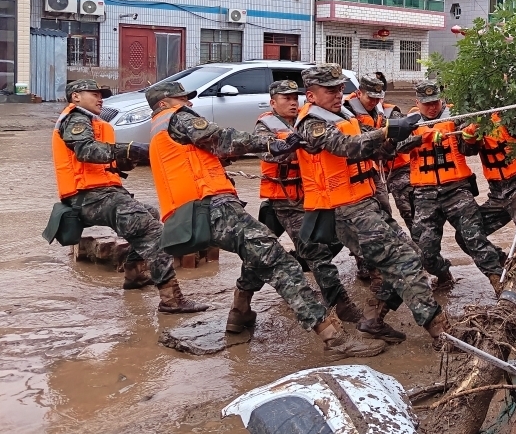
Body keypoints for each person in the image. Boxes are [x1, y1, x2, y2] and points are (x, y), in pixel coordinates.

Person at [146, 80, 383, 359]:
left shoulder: (161, 130)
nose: (188, 103)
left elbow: (201, 156)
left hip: (195, 212)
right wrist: (273, 143)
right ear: (164, 103)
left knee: (259, 256)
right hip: (214, 206)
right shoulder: (177, 117)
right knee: (283, 265)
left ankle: (240, 312)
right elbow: (223, 137)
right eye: (182, 99)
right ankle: (334, 339)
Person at [293, 64, 451, 349]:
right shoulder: (311, 123)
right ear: (311, 95)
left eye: (339, 89)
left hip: (365, 204)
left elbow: (376, 149)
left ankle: (373, 318)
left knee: (412, 255)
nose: (337, 95)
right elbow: (346, 146)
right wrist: (386, 131)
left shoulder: (343, 115)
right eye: (329, 90)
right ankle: (440, 330)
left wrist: (399, 136)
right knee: (403, 261)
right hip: (345, 211)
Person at [50, 79, 207, 313]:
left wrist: (125, 159)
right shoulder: (77, 119)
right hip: (90, 197)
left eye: (101, 94)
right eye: (94, 94)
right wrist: (130, 149)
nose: (100, 99)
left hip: (100, 194)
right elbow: (86, 151)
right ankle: (171, 299)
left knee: (150, 213)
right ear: (75, 97)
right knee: (154, 232)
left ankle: (134, 274)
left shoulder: (87, 120)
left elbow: (94, 161)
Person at [252, 80, 362, 323]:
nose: (293, 102)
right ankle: (341, 305)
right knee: (315, 252)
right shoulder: (265, 126)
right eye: (286, 98)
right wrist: (289, 146)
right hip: (284, 200)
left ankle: (241, 308)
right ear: (273, 103)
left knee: (335, 239)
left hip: (312, 197)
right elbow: (266, 152)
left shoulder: (308, 120)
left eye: (295, 98)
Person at [406, 80, 504, 293]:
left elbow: (469, 151)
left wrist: (470, 139)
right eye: (427, 104)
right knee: (425, 251)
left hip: (456, 190)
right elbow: (393, 147)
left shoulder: (456, 118)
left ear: (441, 100)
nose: (432, 107)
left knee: (473, 237)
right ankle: (442, 273)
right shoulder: (408, 123)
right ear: (417, 102)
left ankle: (499, 280)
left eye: (435, 102)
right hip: (424, 195)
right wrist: (422, 138)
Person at [345, 73, 415, 231]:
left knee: (390, 211)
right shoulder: (346, 113)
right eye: (371, 98)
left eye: (378, 98)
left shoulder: (386, 112)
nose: (375, 102)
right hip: (358, 173)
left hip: (389, 168)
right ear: (359, 93)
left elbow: (401, 140)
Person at [474, 112, 516, 234]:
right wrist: (469, 135)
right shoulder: (471, 121)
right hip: (497, 194)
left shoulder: (512, 114)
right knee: (468, 234)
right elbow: (467, 150)